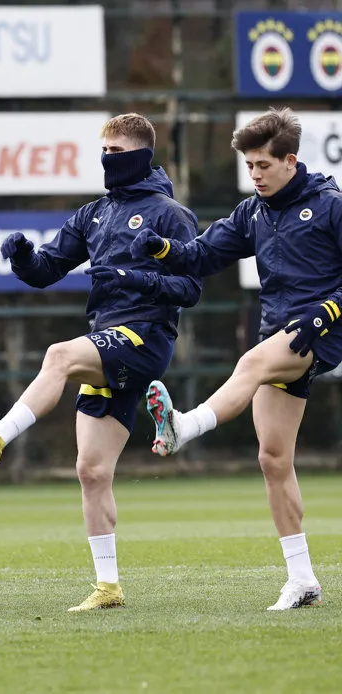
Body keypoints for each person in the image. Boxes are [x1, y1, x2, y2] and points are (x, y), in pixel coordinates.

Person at [0, 113, 202, 611]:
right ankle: (109, 587)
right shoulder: (95, 213)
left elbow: (190, 288)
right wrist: (23, 257)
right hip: (109, 341)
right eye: (102, 151)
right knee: (91, 470)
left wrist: (136, 278)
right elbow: (47, 269)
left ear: (140, 156)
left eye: (116, 152)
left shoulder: (171, 214)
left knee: (59, 355)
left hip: (146, 338)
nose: (106, 159)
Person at [133, 107, 342, 610]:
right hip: (281, 335)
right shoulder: (253, 212)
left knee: (249, 364)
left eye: (263, 165)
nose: (255, 175)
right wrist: (163, 249)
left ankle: (183, 426)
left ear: (290, 161)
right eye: (249, 166)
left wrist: (329, 310)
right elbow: (202, 255)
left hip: (323, 330)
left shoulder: (330, 205)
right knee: (273, 458)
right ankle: (302, 579)